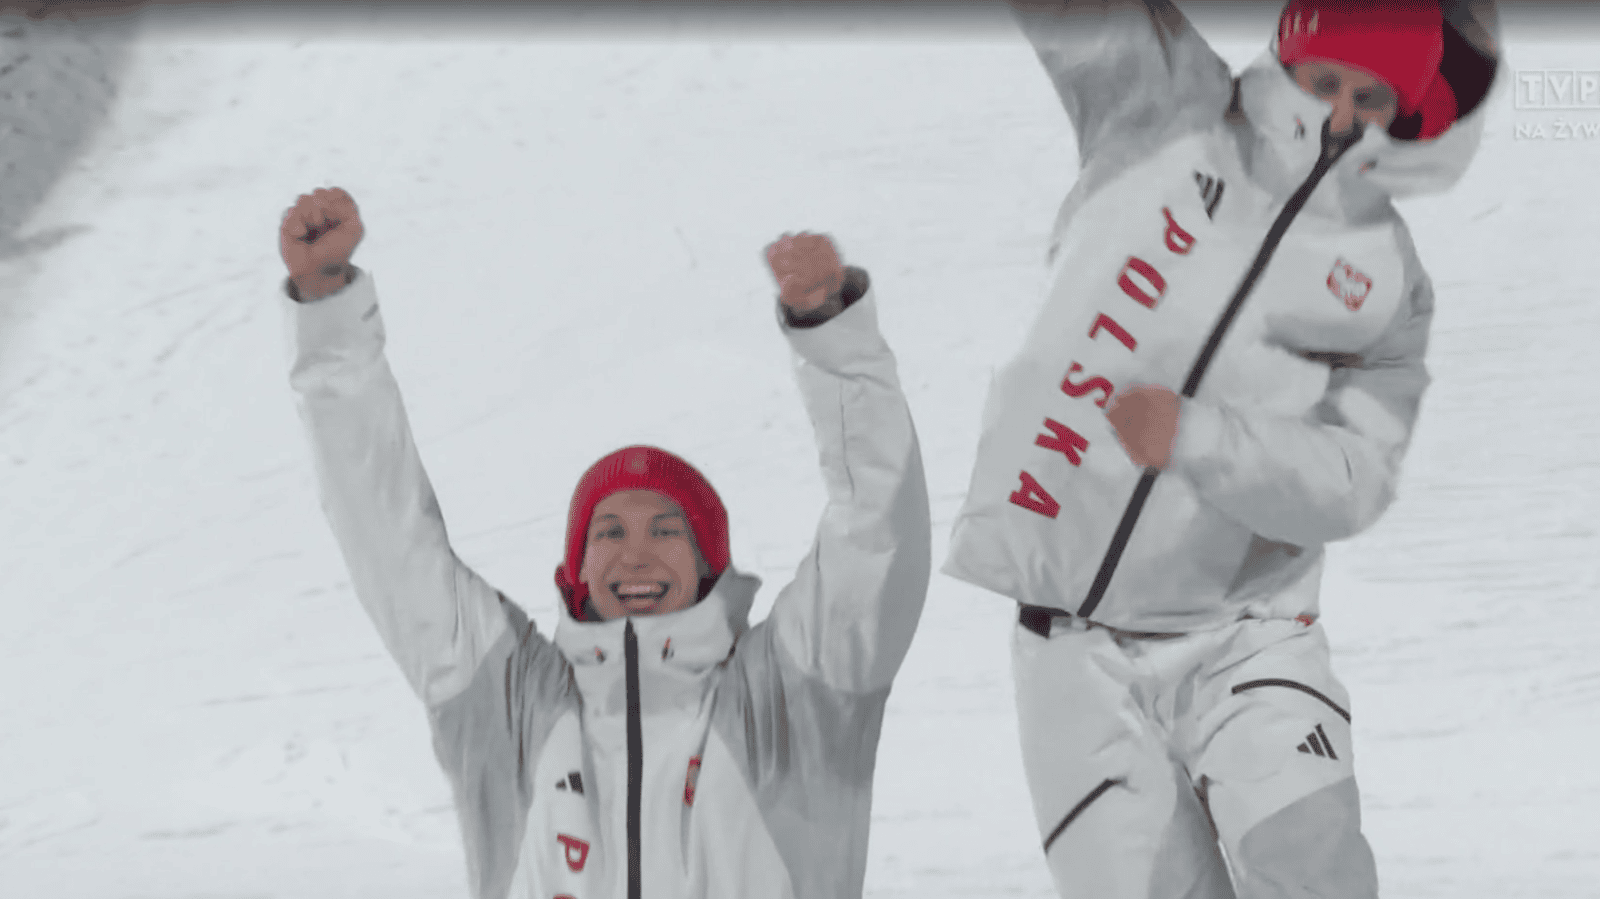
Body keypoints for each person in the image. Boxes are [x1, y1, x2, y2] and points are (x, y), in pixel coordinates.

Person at [944, 2, 1499, 897]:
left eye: (1372, 95)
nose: (1342, 115)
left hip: (1249, 634)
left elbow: (1354, 476)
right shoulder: (1165, 105)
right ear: (1287, 56)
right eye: (1325, 82)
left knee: (1314, 867)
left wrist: (1202, 438)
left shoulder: (1388, 277)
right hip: (1069, 653)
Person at [277, 186, 930, 899]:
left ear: (711, 564)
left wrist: (832, 337)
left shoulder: (789, 699)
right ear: (576, 570)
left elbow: (877, 534)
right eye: (608, 531)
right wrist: (329, 312)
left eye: (667, 528)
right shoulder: (512, 703)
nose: (635, 553)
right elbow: (389, 538)